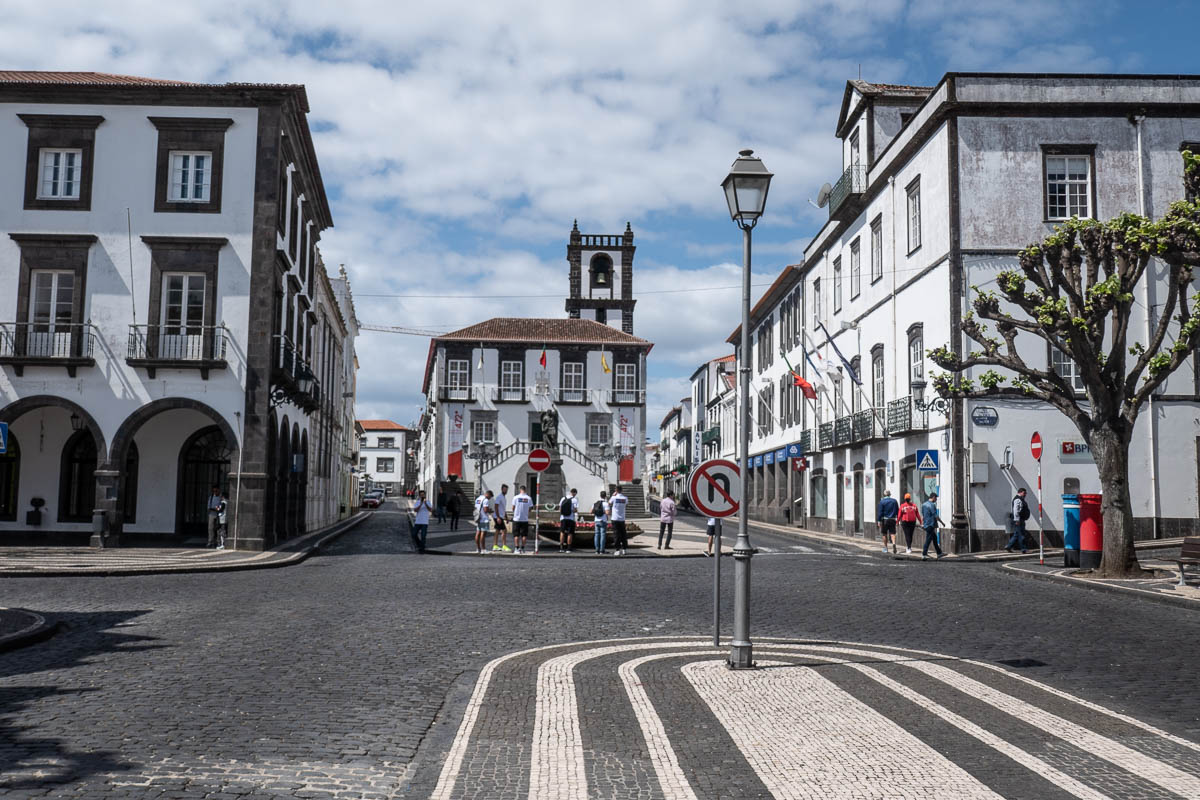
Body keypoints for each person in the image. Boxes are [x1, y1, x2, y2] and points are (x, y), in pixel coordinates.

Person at [1006, 487, 1032, 554]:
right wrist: (1017, 520)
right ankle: (1023, 549)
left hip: (1020, 519)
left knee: (1017, 534)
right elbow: (1015, 511)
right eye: (1024, 493)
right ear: (1020, 492)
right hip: (1018, 520)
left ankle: (1009, 546)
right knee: (1022, 534)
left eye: (1025, 493)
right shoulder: (1017, 499)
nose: (1025, 494)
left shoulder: (1021, 499)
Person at [921, 491, 945, 560]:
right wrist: (942, 522)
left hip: (926, 524)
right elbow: (935, 516)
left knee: (934, 539)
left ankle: (939, 553)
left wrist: (922, 523)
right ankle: (924, 554)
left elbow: (923, 515)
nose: (936, 500)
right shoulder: (932, 505)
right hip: (931, 525)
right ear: (933, 497)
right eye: (936, 498)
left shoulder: (924, 504)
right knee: (928, 540)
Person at [511, 485, 532, 554]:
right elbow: (530, 508)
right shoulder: (528, 498)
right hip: (524, 519)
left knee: (516, 535)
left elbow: (513, 508)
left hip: (516, 518)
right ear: (525, 490)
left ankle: (517, 548)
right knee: (524, 535)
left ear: (520, 490)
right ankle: (522, 548)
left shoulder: (516, 497)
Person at [877, 489, 899, 554]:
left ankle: (885, 548)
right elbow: (897, 510)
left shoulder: (882, 502)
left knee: (884, 534)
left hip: (885, 520)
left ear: (884, 494)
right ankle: (894, 543)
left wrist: (878, 520)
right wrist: (897, 519)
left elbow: (880, 512)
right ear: (890, 494)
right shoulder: (894, 501)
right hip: (892, 519)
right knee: (892, 533)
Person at [473, 489, 494, 554]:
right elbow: (485, 510)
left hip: (478, 518)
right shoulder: (485, 500)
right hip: (484, 519)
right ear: (488, 494)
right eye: (490, 497)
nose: (490, 498)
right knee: (483, 534)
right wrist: (490, 510)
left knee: (478, 533)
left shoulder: (478, 499)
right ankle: (483, 549)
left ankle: (478, 549)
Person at [558, 488, 579, 553]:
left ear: (570, 492)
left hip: (563, 518)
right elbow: (575, 510)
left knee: (562, 532)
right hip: (570, 519)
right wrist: (572, 510)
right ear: (575, 493)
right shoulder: (575, 500)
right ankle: (568, 548)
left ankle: (561, 548)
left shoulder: (563, 498)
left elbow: (559, 508)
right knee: (570, 533)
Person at [610, 485, 628, 555]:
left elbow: (609, 503)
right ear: (622, 490)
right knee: (623, 534)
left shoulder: (613, 497)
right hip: (622, 518)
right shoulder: (625, 498)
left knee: (616, 534)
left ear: (616, 490)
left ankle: (617, 549)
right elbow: (626, 504)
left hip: (615, 518)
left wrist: (613, 495)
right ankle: (624, 549)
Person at [492, 484, 511, 552]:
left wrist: (506, 517)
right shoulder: (499, 497)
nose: (505, 491)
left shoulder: (504, 498)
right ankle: (503, 546)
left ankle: (495, 545)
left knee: (498, 531)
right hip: (498, 517)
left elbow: (503, 509)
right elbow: (496, 507)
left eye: (506, 490)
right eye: (504, 489)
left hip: (501, 517)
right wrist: (498, 517)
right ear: (502, 489)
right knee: (503, 530)